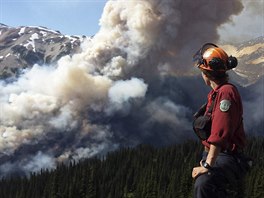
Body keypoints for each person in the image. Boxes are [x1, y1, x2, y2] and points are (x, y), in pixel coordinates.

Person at [191, 43, 250, 198]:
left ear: (205, 73)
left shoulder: (226, 93)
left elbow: (220, 132)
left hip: (226, 156)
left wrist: (207, 165)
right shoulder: (217, 93)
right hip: (218, 156)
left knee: (203, 185)